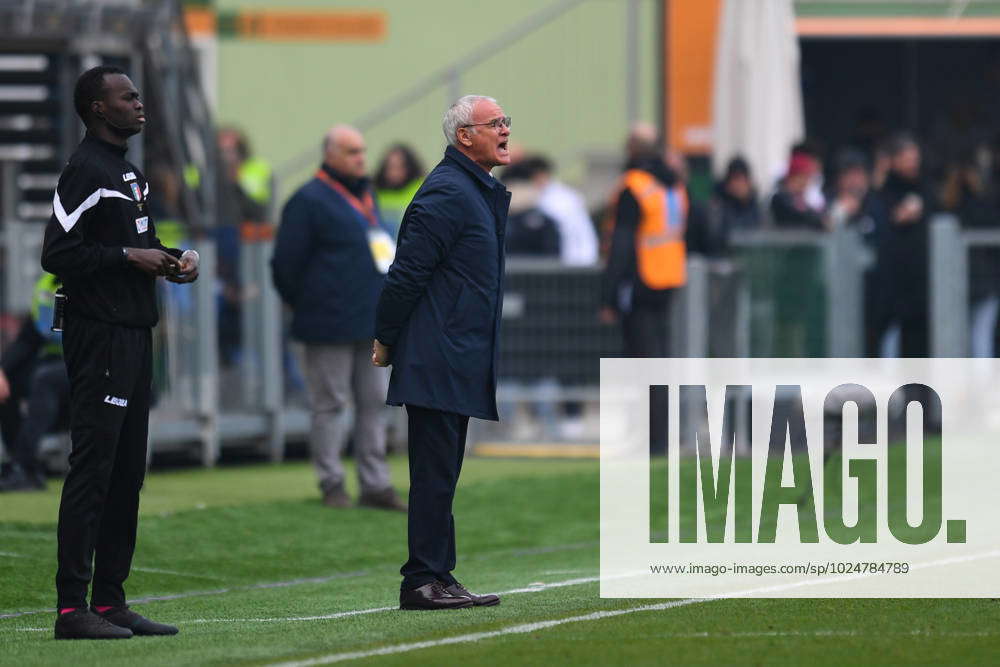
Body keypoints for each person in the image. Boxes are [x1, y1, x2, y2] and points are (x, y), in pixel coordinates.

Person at [40, 65, 199, 640]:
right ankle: (69, 609)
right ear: (97, 108)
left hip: (136, 334)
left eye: (137, 95)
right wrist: (129, 260)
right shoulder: (83, 170)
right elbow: (57, 253)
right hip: (100, 335)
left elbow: (139, 244)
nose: (139, 104)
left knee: (128, 472)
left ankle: (110, 600)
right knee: (94, 469)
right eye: (127, 97)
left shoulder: (130, 173)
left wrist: (171, 259)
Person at [373, 94, 510, 610]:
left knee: (444, 474)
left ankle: (440, 573)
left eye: (505, 122)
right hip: (437, 353)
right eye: (494, 123)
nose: (505, 130)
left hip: (455, 351)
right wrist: (386, 337)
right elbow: (406, 274)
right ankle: (421, 581)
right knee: (432, 474)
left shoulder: (472, 189)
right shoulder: (449, 192)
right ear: (464, 136)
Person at [271, 125, 405, 512]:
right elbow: (285, 265)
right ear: (329, 154)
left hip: (370, 320)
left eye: (362, 151)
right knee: (330, 403)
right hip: (327, 322)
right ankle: (332, 483)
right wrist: (307, 304)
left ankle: (375, 484)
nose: (360, 158)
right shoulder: (308, 200)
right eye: (351, 152)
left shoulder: (365, 195)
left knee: (373, 401)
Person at [600, 133, 687, 454]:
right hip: (669, 281)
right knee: (659, 365)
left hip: (639, 284)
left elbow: (620, 246)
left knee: (642, 366)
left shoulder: (634, 188)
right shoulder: (673, 186)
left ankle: (650, 440)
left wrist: (608, 297)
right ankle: (660, 437)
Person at [0, 273, 70, 492]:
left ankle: (23, 464)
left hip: (95, 363)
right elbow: (28, 339)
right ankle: (23, 468)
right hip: (58, 367)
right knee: (7, 385)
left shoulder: (92, 275)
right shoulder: (48, 283)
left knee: (45, 379)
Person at [374, 143, 425, 239]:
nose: (394, 173)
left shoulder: (421, 189)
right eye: (390, 167)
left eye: (399, 167)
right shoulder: (375, 193)